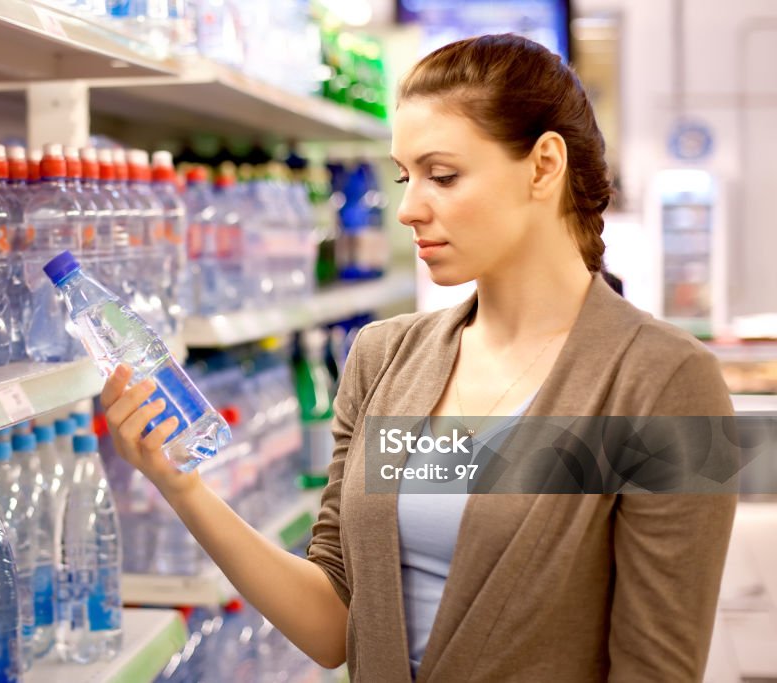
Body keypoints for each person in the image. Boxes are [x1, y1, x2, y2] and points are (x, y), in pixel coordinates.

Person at [102, 34, 736, 682]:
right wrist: (180, 485)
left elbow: (654, 669)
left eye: (443, 174)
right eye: (406, 177)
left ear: (544, 165)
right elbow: (332, 623)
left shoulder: (663, 382)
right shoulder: (384, 359)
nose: (407, 208)